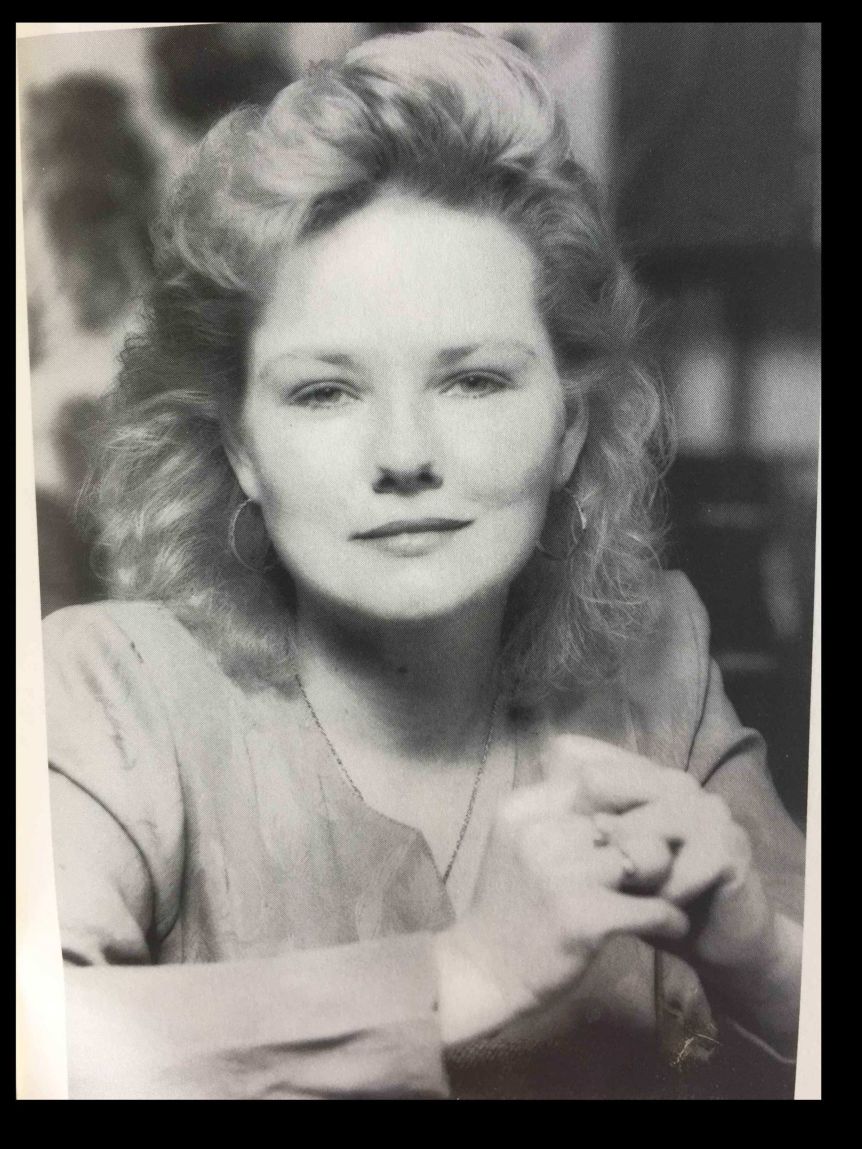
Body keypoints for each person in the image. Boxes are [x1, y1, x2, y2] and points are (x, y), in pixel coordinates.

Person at [43, 27, 805, 1100]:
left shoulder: (656, 668)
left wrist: (760, 957)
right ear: (242, 451)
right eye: (325, 391)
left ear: (571, 433)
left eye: (474, 381)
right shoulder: (107, 690)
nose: (405, 456)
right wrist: (463, 972)